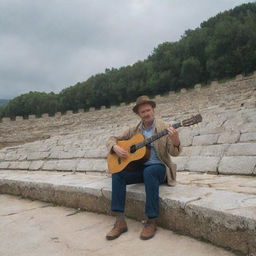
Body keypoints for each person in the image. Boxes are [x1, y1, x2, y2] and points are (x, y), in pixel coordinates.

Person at [105, 95, 182, 240]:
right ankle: (120, 221)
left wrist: (175, 140)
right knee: (117, 174)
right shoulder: (134, 130)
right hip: (140, 169)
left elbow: (174, 152)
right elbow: (111, 139)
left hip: (159, 168)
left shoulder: (164, 128)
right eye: (143, 112)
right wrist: (115, 147)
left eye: (148, 110)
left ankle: (151, 221)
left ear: (153, 110)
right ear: (138, 114)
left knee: (150, 171)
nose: (146, 114)